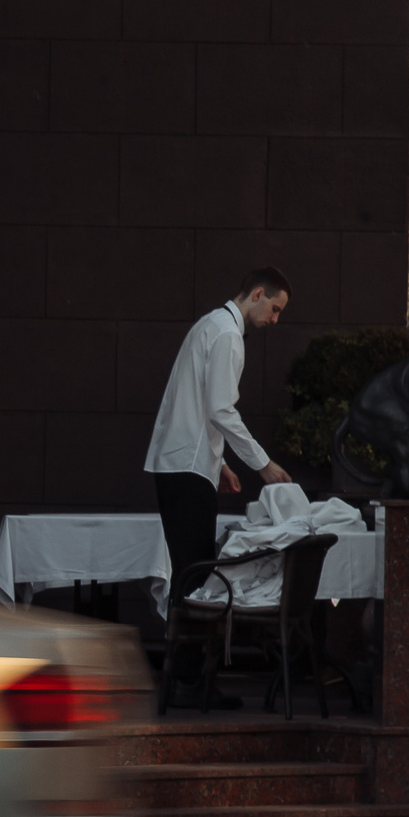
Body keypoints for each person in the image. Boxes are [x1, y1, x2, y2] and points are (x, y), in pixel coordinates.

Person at [145, 267, 294, 710]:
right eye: (275, 308)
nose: (275, 319)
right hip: (187, 468)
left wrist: (221, 463)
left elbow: (192, 405)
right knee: (195, 578)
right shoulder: (227, 335)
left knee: (190, 574)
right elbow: (221, 410)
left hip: (182, 464)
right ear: (258, 294)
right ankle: (190, 683)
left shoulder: (209, 324)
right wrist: (261, 464)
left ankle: (184, 680)